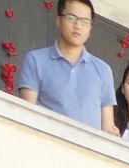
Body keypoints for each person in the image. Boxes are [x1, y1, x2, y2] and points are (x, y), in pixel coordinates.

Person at [15, 0, 117, 134]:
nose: (77, 25)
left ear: (90, 28)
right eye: (71, 18)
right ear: (58, 20)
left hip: (87, 151)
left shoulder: (103, 70)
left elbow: (108, 128)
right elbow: (27, 115)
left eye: (85, 21)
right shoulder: (36, 60)